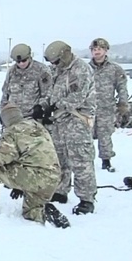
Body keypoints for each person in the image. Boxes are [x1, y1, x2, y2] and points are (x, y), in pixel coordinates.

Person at [0, 104, 69, 227]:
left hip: (34, 176)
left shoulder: (11, 132)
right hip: (52, 177)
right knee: (30, 212)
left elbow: (1, 159)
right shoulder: (36, 125)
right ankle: (45, 212)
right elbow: (29, 154)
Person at [33, 41, 97, 215]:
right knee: (59, 157)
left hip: (76, 120)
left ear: (65, 55)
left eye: (56, 61)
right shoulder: (56, 70)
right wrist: (42, 105)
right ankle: (60, 190)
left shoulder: (81, 70)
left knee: (80, 159)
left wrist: (54, 107)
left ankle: (86, 199)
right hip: (58, 121)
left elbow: (78, 97)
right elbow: (49, 92)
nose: (54, 65)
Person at [89, 38, 129, 172]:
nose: (97, 52)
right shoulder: (85, 69)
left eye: (99, 49)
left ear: (106, 50)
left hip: (106, 108)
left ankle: (106, 161)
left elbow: (122, 87)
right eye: (94, 50)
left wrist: (123, 103)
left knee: (104, 135)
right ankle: (86, 161)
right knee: (85, 136)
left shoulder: (115, 69)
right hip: (88, 109)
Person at [0, 43, 51, 117]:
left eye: (24, 60)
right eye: (18, 62)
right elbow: (5, 93)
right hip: (14, 116)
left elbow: (48, 93)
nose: (21, 64)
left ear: (29, 57)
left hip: (33, 116)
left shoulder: (41, 70)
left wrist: (40, 107)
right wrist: (3, 111)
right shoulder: (12, 71)